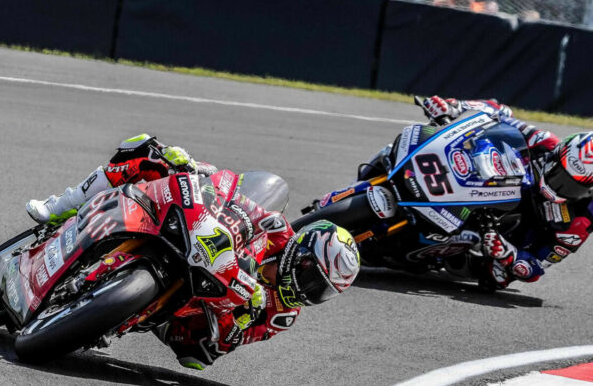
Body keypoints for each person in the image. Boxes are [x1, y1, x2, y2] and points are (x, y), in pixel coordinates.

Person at [25, 134, 360, 369]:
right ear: (300, 254)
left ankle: (107, 315)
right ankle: (62, 206)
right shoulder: (275, 230)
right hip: (192, 241)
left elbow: (213, 351)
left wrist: (237, 321)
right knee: (150, 155)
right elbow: (233, 194)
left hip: (185, 313)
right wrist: (198, 171)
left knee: (196, 357)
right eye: (312, 278)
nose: (308, 292)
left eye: (321, 293)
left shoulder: (280, 315)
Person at [408, 97, 593, 290]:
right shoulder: (546, 143)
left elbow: (537, 268)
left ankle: (458, 247)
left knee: (497, 277)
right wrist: (455, 106)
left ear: (588, 189)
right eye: (558, 176)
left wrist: (509, 254)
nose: (559, 188)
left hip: (534, 224)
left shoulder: (580, 223)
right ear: (556, 156)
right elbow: (499, 112)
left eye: (571, 187)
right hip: (517, 182)